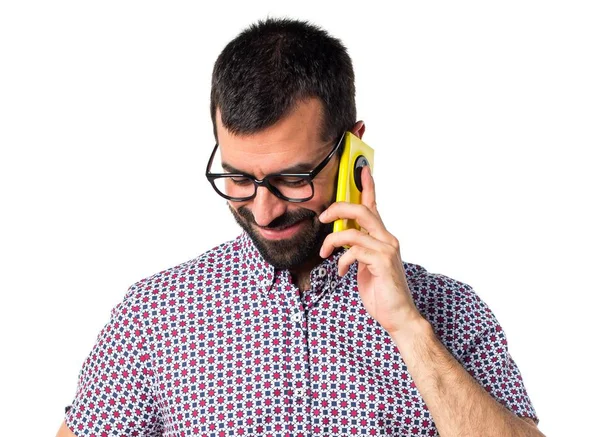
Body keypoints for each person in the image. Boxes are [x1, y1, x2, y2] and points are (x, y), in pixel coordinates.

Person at [57, 17, 542, 437]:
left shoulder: (451, 314)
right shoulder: (153, 318)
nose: (263, 211)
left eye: (293, 178)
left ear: (353, 150)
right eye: (239, 178)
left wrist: (410, 330)